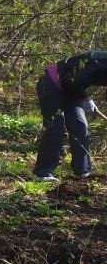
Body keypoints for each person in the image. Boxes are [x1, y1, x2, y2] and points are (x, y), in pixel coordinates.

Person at [33, 49, 107, 181]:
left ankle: (82, 172)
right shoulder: (99, 62)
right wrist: (86, 99)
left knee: (80, 126)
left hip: (71, 89)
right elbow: (73, 80)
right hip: (52, 82)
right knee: (56, 126)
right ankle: (43, 172)